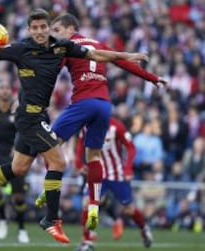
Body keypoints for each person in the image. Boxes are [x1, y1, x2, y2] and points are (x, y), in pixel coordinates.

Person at [0, 8, 148, 243]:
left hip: (39, 116)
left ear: (49, 27)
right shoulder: (21, 48)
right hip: (28, 118)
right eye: (34, 28)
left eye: (43, 27)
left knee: (18, 168)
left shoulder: (62, 46)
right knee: (58, 160)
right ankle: (51, 219)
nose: (39, 31)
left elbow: (97, 55)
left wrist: (127, 56)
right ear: (29, 30)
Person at [44, 13, 167, 230]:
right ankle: (94, 205)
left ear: (70, 29)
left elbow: (51, 70)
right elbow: (122, 63)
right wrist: (153, 78)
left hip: (83, 102)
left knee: (48, 143)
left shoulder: (67, 45)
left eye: (57, 30)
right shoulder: (98, 44)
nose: (54, 35)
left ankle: (49, 191)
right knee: (94, 157)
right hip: (104, 105)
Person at [74, 117, 153, 251]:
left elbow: (131, 147)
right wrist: (78, 162)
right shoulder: (86, 125)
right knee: (87, 203)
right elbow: (81, 143)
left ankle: (144, 228)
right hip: (97, 173)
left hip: (117, 174)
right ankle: (87, 242)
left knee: (128, 208)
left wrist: (128, 168)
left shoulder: (116, 127)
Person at [0, 80, 29, 243]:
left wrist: (17, 147)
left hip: (17, 156)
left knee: (19, 198)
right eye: (2, 87)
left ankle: (22, 228)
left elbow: (24, 130)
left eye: (7, 88)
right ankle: (2, 219)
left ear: (11, 91)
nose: (5, 91)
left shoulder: (18, 110)